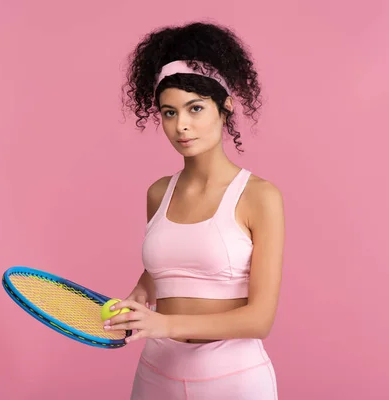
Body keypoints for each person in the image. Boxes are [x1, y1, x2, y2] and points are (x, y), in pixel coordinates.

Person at [103, 21, 285, 399]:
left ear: (226, 106)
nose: (181, 126)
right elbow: (169, 264)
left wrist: (162, 323)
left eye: (195, 108)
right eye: (169, 113)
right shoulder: (159, 193)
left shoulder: (259, 196)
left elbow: (260, 318)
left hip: (233, 380)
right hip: (155, 375)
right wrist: (139, 293)